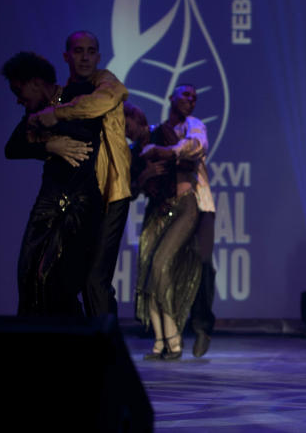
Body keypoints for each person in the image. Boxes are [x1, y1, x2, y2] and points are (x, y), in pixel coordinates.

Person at [28, 31, 131, 318]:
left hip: (112, 192)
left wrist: (58, 115)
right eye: (78, 51)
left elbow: (106, 100)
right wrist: (46, 139)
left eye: (91, 51)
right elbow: (28, 135)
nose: (85, 57)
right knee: (63, 279)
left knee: (94, 280)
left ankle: (108, 355)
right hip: (77, 200)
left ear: (99, 56)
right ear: (66, 56)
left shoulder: (105, 84)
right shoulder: (63, 95)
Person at [2, 52, 102, 316]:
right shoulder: (34, 114)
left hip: (80, 204)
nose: (18, 99)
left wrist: (55, 123)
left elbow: (87, 140)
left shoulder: (75, 99)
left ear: (35, 82)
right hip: (47, 202)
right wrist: (48, 145)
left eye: (19, 90)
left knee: (58, 282)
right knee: (28, 275)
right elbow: (11, 148)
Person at [134, 85, 208, 360]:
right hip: (157, 209)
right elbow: (137, 177)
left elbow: (196, 147)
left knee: (161, 264)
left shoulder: (193, 127)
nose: (191, 100)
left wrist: (165, 152)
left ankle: (174, 334)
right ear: (171, 98)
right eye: (185, 94)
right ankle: (161, 340)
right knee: (148, 271)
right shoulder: (155, 132)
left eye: (194, 97)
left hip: (184, 206)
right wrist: (146, 174)